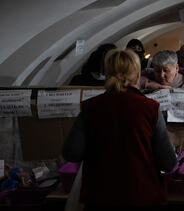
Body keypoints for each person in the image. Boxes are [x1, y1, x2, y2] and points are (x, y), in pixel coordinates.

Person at [62, 49, 177, 211]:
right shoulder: (150, 108)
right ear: (137, 75)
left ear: (106, 74)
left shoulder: (90, 107)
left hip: (99, 198)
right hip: (142, 196)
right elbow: (168, 163)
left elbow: (71, 153)